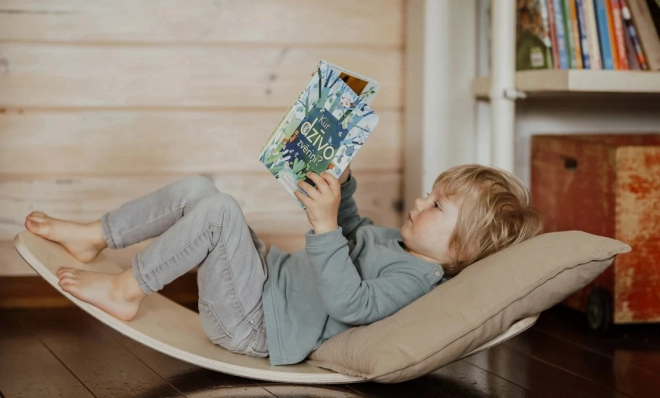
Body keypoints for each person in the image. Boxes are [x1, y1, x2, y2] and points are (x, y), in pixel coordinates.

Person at [24, 164, 542, 366]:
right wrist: (341, 186)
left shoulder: (415, 278)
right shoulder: (399, 245)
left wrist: (322, 226)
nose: (419, 202)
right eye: (428, 193)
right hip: (266, 279)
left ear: (464, 250)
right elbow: (351, 230)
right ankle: (96, 235)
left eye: (436, 207)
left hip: (257, 323)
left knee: (219, 214)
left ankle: (127, 290)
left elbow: (351, 304)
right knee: (200, 190)